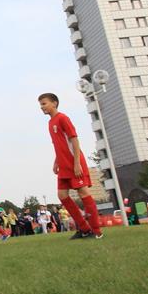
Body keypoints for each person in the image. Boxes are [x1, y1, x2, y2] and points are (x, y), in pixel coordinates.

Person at [38, 93, 103, 240]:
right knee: (62, 196)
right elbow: (59, 145)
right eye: (41, 105)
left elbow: (74, 140)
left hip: (74, 163)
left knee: (83, 193)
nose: (42, 107)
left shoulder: (63, 118)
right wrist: (56, 161)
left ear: (54, 103)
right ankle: (84, 229)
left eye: (44, 103)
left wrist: (77, 164)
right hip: (63, 165)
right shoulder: (50, 123)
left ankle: (96, 231)